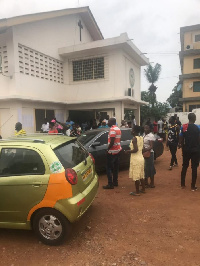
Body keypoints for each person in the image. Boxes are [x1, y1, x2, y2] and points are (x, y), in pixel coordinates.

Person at [178, 113, 200, 191]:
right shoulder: (198, 127)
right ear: (194, 118)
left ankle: (182, 184)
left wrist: (180, 145)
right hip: (196, 150)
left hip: (186, 150)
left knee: (185, 166)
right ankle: (193, 186)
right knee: (194, 168)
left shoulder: (183, 127)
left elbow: (181, 137)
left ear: (188, 118)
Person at [125, 125, 145, 196]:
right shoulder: (141, 138)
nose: (131, 131)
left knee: (136, 176)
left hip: (136, 159)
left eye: (132, 129)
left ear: (134, 131)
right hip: (141, 158)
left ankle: (137, 192)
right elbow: (142, 148)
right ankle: (143, 189)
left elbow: (135, 149)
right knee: (141, 175)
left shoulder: (134, 139)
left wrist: (128, 151)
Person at [103, 118, 122, 189]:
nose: (108, 122)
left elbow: (112, 141)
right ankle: (115, 182)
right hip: (118, 150)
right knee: (116, 168)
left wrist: (107, 149)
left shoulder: (112, 130)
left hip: (112, 152)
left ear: (112, 122)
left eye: (109, 121)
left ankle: (110, 184)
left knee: (109, 168)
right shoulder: (118, 129)